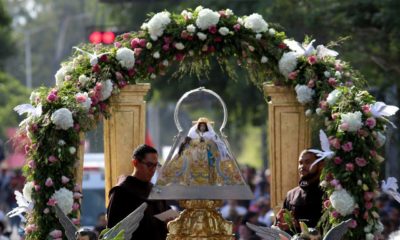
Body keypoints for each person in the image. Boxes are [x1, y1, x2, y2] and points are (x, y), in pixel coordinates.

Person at [107, 144, 169, 240]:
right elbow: (113, 230)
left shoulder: (156, 191)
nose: (153, 170)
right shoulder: (121, 191)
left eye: (156, 165)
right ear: (135, 163)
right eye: (149, 165)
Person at [276, 150, 324, 232]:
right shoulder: (291, 195)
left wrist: (297, 226)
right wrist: (279, 222)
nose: (302, 166)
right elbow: (281, 229)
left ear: (320, 165)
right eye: (300, 163)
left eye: (307, 162)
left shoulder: (328, 193)